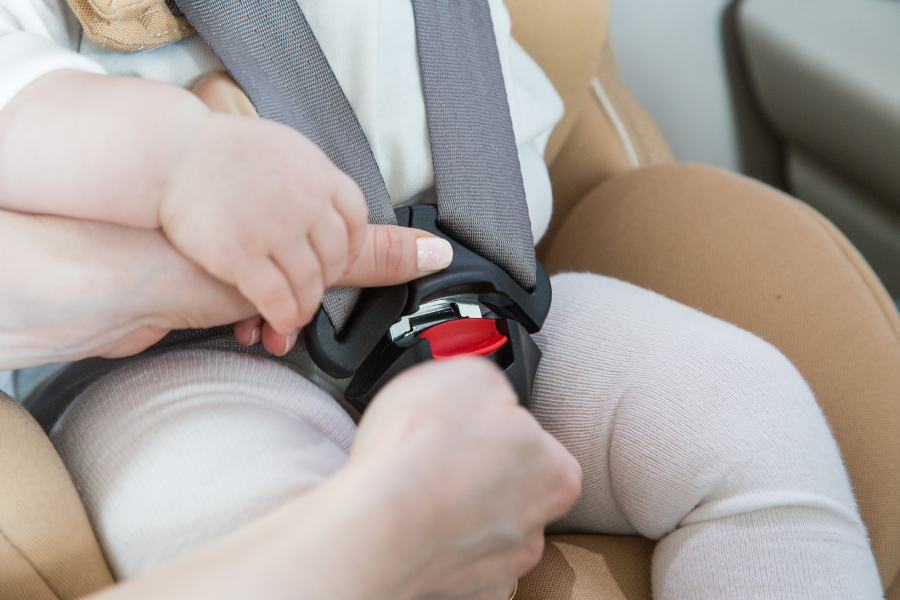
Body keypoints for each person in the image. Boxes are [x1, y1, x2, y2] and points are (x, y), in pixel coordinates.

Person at [0, 0, 884, 598]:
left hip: (491, 286)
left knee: (744, 404)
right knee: (271, 524)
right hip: (185, 361)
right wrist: (175, 160)